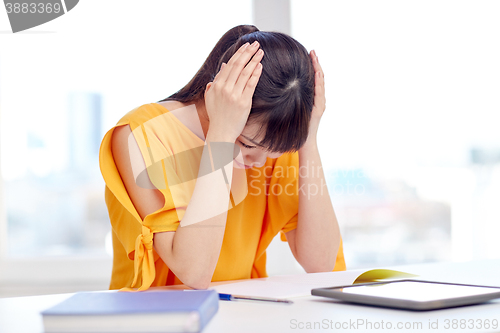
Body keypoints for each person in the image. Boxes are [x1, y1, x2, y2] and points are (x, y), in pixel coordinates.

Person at [99, 24, 346, 291]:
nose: (260, 163)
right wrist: (222, 134)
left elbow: (322, 264)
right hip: (154, 319)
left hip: (241, 315)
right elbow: (194, 273)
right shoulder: (141, 134)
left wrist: (308, 138)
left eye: (273, 153)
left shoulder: (270, 143)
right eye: (246, 145)